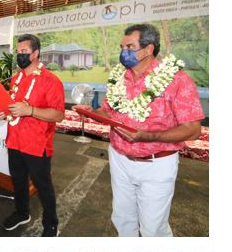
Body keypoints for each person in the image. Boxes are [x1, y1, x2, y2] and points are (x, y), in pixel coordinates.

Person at [78, 23, 204, 237]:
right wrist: (92, 113)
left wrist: (148, 136)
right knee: (122, 219)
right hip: (119, 159)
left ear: (149, 49)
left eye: (130, 47)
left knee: (153, 229)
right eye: (121, 46)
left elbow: (193, 129)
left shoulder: (177, 80)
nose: (123, 52)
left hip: (156, 164)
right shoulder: (119, 78)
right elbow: (109, 113)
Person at [0, 33, 65, 236]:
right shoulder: (16, 79)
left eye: (24, 52)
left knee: (43, 187)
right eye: (18, 52)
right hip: (15, 141)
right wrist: (3, 113)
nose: (19, 55)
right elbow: (12, 108)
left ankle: (51, 224)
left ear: (36, 54)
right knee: (18, 180)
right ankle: (22, 212)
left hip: (37, 144)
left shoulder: (51, 81)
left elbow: (58, 115)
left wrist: (30, 110)